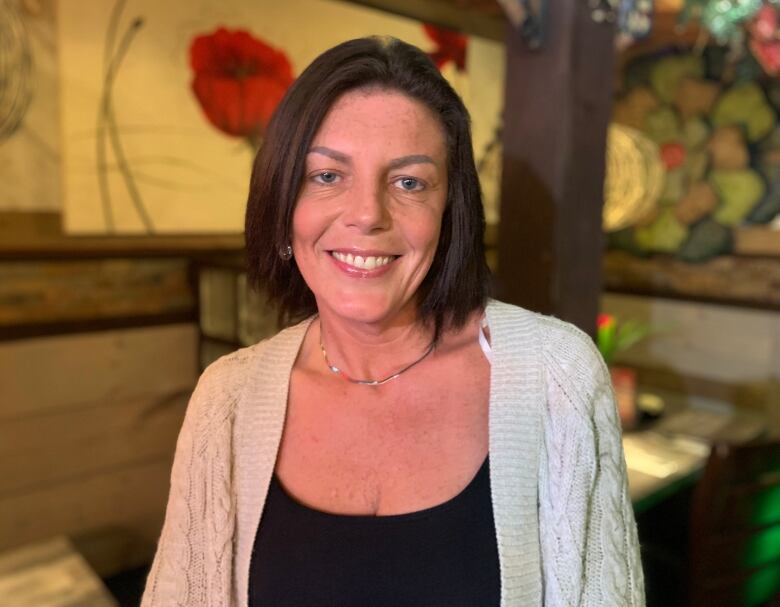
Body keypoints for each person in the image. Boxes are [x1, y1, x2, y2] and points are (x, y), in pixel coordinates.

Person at [140, 36, 644, 607]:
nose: (367, 215)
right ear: (283, 204)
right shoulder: (225, 401)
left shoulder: (557, 376)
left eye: (409, 182)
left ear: (450, 211)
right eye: (327, 176)